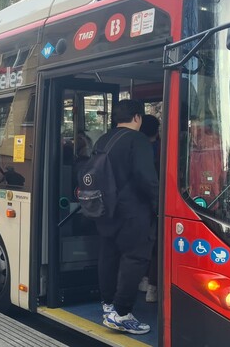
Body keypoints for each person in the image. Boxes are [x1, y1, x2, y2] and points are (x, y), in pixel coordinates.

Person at [97, 100, 159, 334]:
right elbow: (146, 178)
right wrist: (160, 203)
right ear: (137, 117)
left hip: (105, 209)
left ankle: (108, 305)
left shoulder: (104, 139)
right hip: (133, 211)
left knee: (108, 256)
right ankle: (121, 313)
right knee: (135, 258)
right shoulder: (138, 140)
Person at [138, 114, 160, 303]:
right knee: (157, 245)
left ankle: (144, 280)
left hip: (139, 204)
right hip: (157, 203)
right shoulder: (162, 149)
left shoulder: (137, 148)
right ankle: (152, 287)